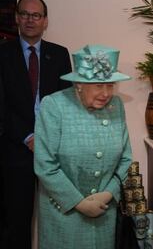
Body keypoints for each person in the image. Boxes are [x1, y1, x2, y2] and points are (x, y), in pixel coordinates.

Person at [34, 44, 133, 249]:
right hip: (64, 215)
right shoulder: (54, 106)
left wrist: (109, 193)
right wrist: (79, 203)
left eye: (110, 85)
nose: (106, 93)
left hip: (104, 213)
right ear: (79, 84)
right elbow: (45, 165)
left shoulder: (117, 107)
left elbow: (126, 159)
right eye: (98, 85)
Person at [0, 0, 72, 247]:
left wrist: (50, 139)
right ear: (17, 18)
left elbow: (67, 103)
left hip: (55, 151)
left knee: (60, 216)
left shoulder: (60, 54)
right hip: (16, 151)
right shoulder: (3, 54)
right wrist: (29, 137)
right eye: (25, 14)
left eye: (36, 15)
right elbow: (2, 106)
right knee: (17, 221)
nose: (30, 20)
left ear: (45, 21)